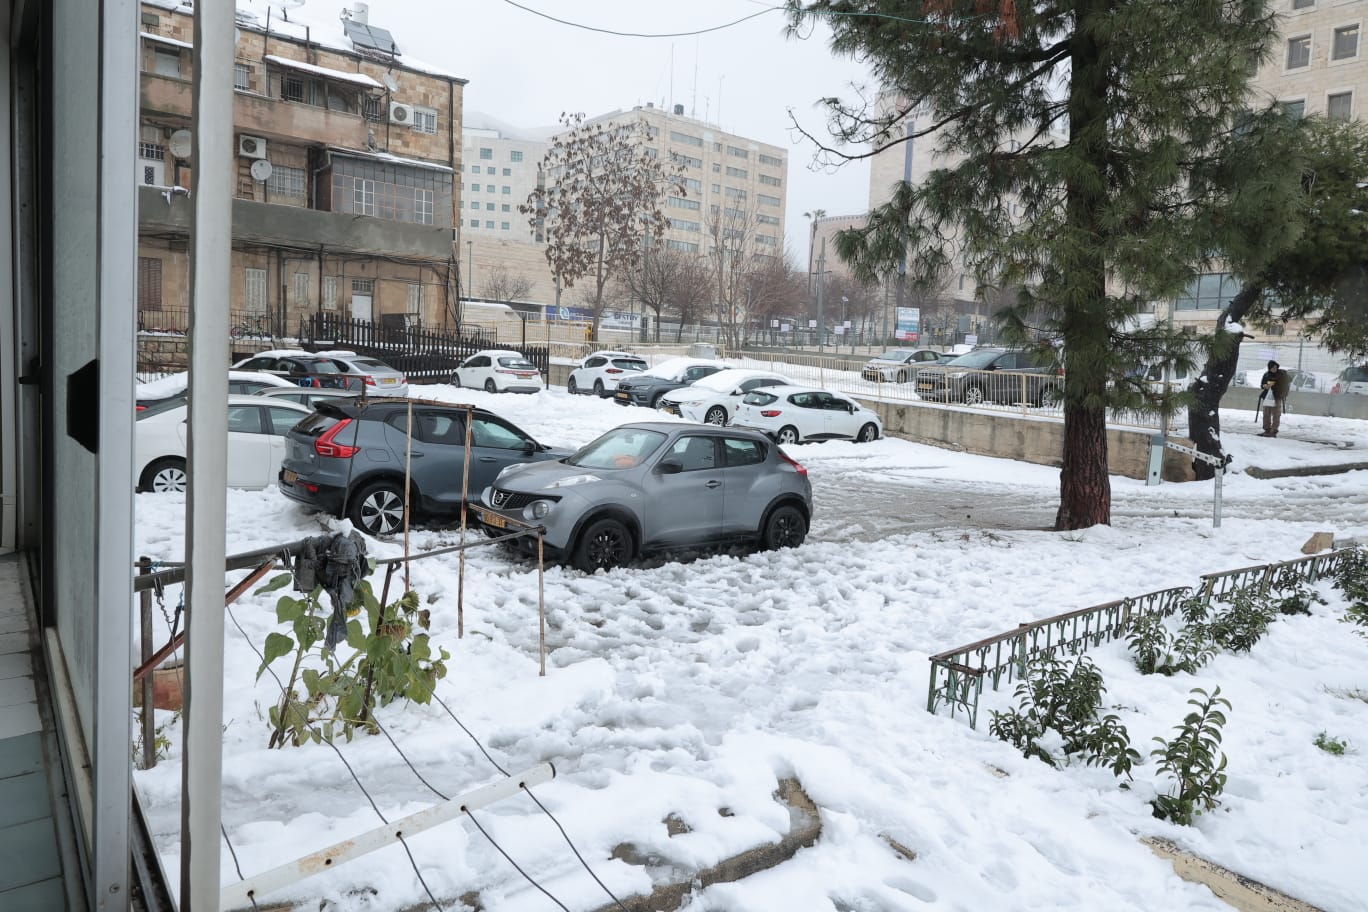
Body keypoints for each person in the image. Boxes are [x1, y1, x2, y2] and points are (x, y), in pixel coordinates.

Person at [1258, 360, 1291, 437]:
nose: (1274, 369)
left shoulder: (1281, 374)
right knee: (1266, 413)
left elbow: (1286, 383)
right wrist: (1264, 386)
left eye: (1276, 367)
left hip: (1277, 396)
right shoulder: (1266, 375)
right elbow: (1262, 384)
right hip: (1268, 396)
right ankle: (1267, 429)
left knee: (1276, 414)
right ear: (1269, 368)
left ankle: (1274, 430)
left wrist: (1275, 386)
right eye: (1272, 367)